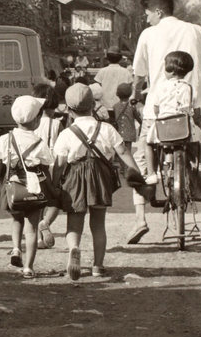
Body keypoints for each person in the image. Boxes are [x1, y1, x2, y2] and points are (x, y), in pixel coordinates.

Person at [129, 0, 201, 245]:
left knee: (141, 159)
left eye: (147, 13)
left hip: (157, 112)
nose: (145, 18)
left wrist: (136, 96)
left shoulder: (148, 34)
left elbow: (138, 75)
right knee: (198, 160)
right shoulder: (196, 31)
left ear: (158, 11)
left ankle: (140, 219)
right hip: (192, 110)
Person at [52, 83, 143, 280]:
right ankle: (98, 266)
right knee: (98, 223)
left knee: (74, 222)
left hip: (74, 178)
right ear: (93, 105)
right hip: (100, 176)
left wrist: (54, 184)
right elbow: (123, 151)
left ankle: (74, 248)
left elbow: (59, 163)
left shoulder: (66, 134)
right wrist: (135, 170)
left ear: (68, 109)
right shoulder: (106, 128)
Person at [0, 96, 54, 278]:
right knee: (32, 228)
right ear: (36, 120)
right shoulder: (39, 143)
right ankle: (28, 267)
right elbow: (48, 165)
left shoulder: (5, 139)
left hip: (12, 189)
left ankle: (16, 249)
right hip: (33, 190)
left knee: (16, 219)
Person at [143, 51, 201, 183]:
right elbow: (196, 110)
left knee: (147, 142)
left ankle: (151, 173)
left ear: (171, 71)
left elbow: (156, 108)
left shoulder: (160, 88)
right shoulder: (190, 88)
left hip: (164, 128)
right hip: (184, 128)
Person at [31, 83, 64, 249]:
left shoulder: (30, 123)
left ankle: (37, 239)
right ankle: (45, 222)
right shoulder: (56, 124)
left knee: (36, 204)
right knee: (55, 202)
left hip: (33, 167)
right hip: (50, 167)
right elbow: (62, 149)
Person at [94, 47, 134, 123]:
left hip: (104, 107)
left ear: (108, 58)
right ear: (120, 58)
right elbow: (130, 88)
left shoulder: (102, 71)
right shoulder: (126, 72)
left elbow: (96, 88)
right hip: (122, 107)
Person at [112, 82, 142, 153]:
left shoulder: (115, 106)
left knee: (119, 149)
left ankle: (121, 161)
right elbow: (138, 118)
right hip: (129, 132)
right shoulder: (132, 107)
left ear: (117, 94)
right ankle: (127, 162)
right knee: (128, 150)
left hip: (118, 132)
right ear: (130, 94)